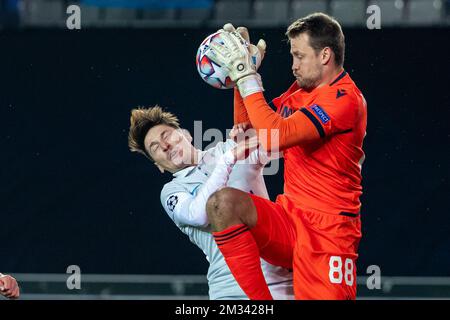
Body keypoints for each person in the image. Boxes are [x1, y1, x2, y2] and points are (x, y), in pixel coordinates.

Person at [204, 12, 367, 300]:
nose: (293, 66)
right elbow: (248, 129)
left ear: (325, 55)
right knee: (222, 203)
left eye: (299, 56)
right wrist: (244, 77)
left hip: (328, 234)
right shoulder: (299, 94)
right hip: (290, 219)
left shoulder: (345, 99)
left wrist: (247, 75)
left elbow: (273, 135)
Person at [128, 106, 293, 300]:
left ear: (186, 135)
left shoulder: (227, 148)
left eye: (166, 135)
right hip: (230, 292)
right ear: (159, 166)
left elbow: (283, 142)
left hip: (284, 281)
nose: (164, 145)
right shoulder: (172, 192)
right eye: (155, 148)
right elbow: (198, 214)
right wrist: (229, 160)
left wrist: (256, 132)